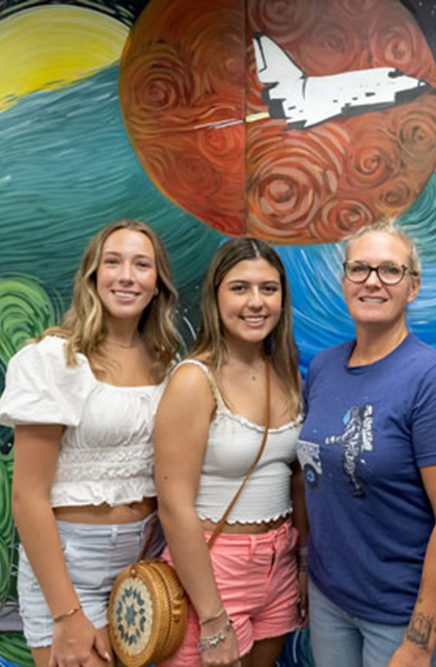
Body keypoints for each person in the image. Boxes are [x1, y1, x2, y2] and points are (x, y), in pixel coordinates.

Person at [0, 219, 181, 666]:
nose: (126, 276)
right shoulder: (55, 360)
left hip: (146, 563)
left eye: (142, 265)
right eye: (112, 262)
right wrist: (67, 613)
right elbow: (27, 496)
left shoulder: (168, 362)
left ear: (158, 285)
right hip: (69, 567)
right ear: (92, 276)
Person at [297, 221, 436, 667]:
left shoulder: (434, 381)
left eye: (390, 271)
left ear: (412, 287)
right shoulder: (323, 368)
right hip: (331, 600)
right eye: (359, 268)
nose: (372, 281)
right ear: (343, 280)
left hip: (402, 615)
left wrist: (420, 639)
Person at [154, 237, 305, 667]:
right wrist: (213, 616)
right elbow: (173, 506)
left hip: (280, 563)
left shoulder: (286, 372)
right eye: (240, 288)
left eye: (268, 289)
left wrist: (303, 561)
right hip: (213, 571)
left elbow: (293, 475)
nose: (256, 302)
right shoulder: (194, 380)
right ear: (215, 296)